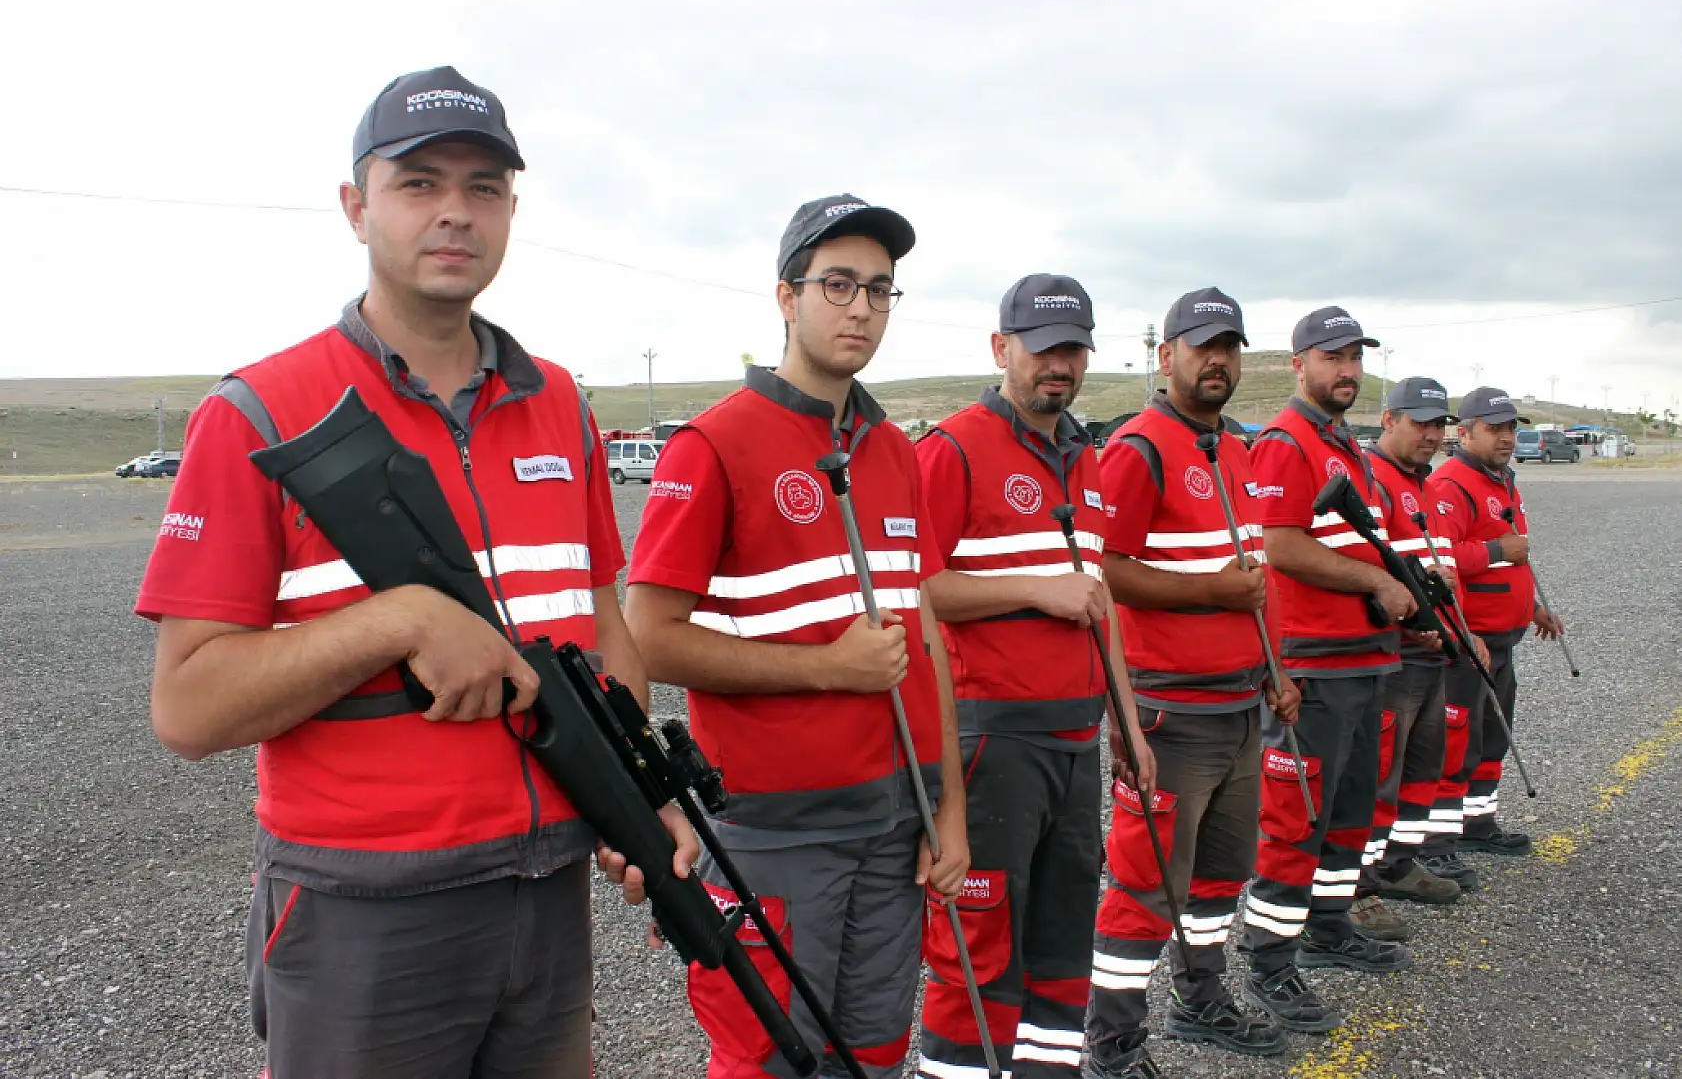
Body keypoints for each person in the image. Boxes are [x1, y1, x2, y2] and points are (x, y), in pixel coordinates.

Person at [132, 66, 696, 1078]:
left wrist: (628, 791)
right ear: (356, 206)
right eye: (419, 181)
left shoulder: (558, 402)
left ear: (511, 211)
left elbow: (605, 626)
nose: (454, 212)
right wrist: (392, 620)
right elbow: (186, 707)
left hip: (546, 898)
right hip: (365, 910)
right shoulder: (260, 410)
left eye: (483, 187)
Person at [622, 194, 968, 1078]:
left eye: (880, 290)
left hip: (899, 824)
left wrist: (950, 809)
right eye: (838, 285)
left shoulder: (892, 448)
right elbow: (648, 636)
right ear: (787, 297)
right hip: (777, 833)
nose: (861, 308)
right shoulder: (712, 444)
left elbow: (925, 635)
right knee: (771, 1057)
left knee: (879, 1051)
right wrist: (826, 669)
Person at [913, 274, 1154, 1078]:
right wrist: (1032, 590)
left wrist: (1123, 712)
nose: (1061, 365)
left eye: (1074, 349)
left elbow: (1098, 597)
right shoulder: (951, 448)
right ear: (1001, 348)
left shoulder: (1081, 453)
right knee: (978, 946)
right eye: (1044, 348)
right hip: (996, 739)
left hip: (1077, 736)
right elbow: (919, 588)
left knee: (1059, 942)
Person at [1084, 287, 1303, 1077]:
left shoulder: (1236, 448)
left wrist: (1277, 671)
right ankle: (1112, 1036)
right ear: (1165, 353)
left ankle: (1202, 996)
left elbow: (1255, 574)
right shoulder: (1139, 447)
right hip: (1171, 709)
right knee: (1145, 882)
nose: (1219, 360)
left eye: (1231, 346)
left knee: (1218, 873)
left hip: (1242, 703)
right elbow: (1103, 570)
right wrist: (1211, 594)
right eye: (1202, 344)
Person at [1235, 306, 1417, 1034]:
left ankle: (1329, 923)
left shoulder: (1345, 444)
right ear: (1298, 363)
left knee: (1346, 810)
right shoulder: (1287, 441)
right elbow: (1280, 545)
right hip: (1315, 663)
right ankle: (1271, 959)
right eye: (1332, 357)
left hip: (1364, 658)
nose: (1347, 370)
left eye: (1354, 358)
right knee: (1295, 818)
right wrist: (1373, 583)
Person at [1348, 378, 1473, 941]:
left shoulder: (1423, 484)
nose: (1430, 434)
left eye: (1438, 424)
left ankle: (1399, 862)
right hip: (1399, 655)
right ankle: (1357, 884)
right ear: (1388, 420)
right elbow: (1371, 572)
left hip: (1435, 653)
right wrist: (1410, 619)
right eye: (1419, 422)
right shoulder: (1373, 480)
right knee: (1376, 775)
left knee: (1422, 767)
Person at [1424, 387, 1564, 862]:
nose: (1506, 437)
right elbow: (1439, 559)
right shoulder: (1451, 485)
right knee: (1454, 738)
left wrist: (1531, 610)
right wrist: (1499, 551)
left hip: (1504, 637)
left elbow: (1511, 563)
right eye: (1494, 428)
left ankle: (1476, 821)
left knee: (1492, 736)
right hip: (1469, 640)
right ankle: (1434, 841)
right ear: (1464, 432)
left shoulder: (1502, 480)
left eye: (1511, 428)